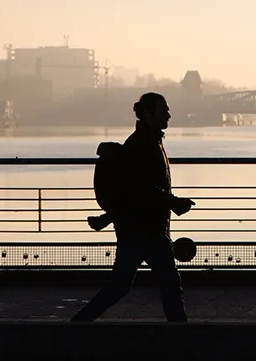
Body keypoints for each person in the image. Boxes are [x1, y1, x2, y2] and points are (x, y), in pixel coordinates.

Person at [72, 93, 195, 323]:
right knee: (164, 286)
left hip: (141, 229)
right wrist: (174, 202)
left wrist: (108, 218)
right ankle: (78, 325)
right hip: (144, 230)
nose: (168, 114)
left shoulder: (148, 141)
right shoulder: (142, 145)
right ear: (148, 115)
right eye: (162, 111)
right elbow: (143, 189)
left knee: (130, 286)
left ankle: (79, 324)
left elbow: (137, 190)